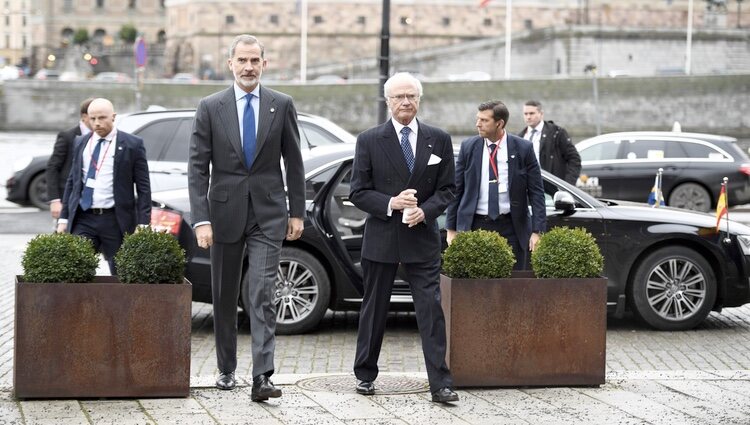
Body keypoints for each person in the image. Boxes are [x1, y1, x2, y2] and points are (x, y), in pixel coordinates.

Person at [187, 34, 305, 400]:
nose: (249, 67)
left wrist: (297, 212)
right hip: (223, 214)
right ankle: (226, 368)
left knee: (262, 292)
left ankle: (262, 376)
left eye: (255, 60)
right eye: (242, 60)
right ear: (231, 63)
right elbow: (197, 168)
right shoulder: (210, 106)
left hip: (269, 214)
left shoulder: (281, 104)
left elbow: (295, 162)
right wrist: (201, 219)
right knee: (223, 295)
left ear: (264, 64)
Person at [349, 72, 458, 403]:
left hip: (422, 237)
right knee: (374, 309)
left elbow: (448, 189)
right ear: (388, 102)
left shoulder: (438, 139)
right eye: (399, 97)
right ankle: (365, 374)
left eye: (411, 96)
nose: (406, 102)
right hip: (382, 236)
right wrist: (392, 204)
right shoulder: (369, 140)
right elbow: (358, 192)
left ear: (419, 99)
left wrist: (424, 210)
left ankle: (440, 383)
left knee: (431, 310)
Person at [446, 100, 546, 270]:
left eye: (484, 120)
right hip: (475, 226)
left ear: (499, 123)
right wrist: (451, 228)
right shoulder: (468, 147)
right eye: (478, 119)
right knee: (476, 285)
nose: (478, 124)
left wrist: (537, 231)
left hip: (512, 227)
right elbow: (457, 190)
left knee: (512, 285)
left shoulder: (523, 148)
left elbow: (537, 192)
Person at [56, 98, 151, 274]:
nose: (97, 123)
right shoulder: (80, 142)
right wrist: (64, 218)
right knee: (76, 269)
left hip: (114, 219)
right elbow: (72, 182)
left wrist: (144, 223)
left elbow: (144, 188)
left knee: (120, 272)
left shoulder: (132, 144)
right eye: (92, 119)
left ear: (113, 117)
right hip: (84, 218)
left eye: (102, 118)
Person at [47, 98, 94, 219]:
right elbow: (53, 167)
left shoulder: (102, 137)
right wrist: (55, 200)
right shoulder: (67, 136)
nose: (97, 121)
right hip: (67, 197)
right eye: (93, 116)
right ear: (84, 116)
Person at [517, 100, 581, 184]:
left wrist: (567, 185)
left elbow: (574, 159)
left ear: (541, 114)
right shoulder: (520, 137)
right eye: (525, 114)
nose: (528, 117)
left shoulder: (556, 133)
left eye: (532, 113)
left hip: (551, 187)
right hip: (529, 186)